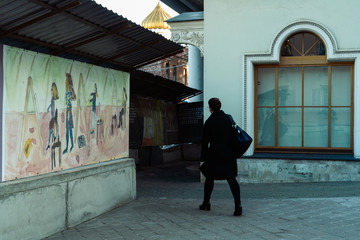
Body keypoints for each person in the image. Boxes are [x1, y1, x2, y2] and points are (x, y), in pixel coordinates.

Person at [199, 97, 242, 216]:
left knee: (209, 178)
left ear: (211, 108)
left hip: (214, 154)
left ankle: (206, 203)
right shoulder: (228, 118)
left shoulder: (209, 122)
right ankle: (238, 206)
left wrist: (203, 157)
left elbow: (204, 141)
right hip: (229, 154)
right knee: (232, 179)